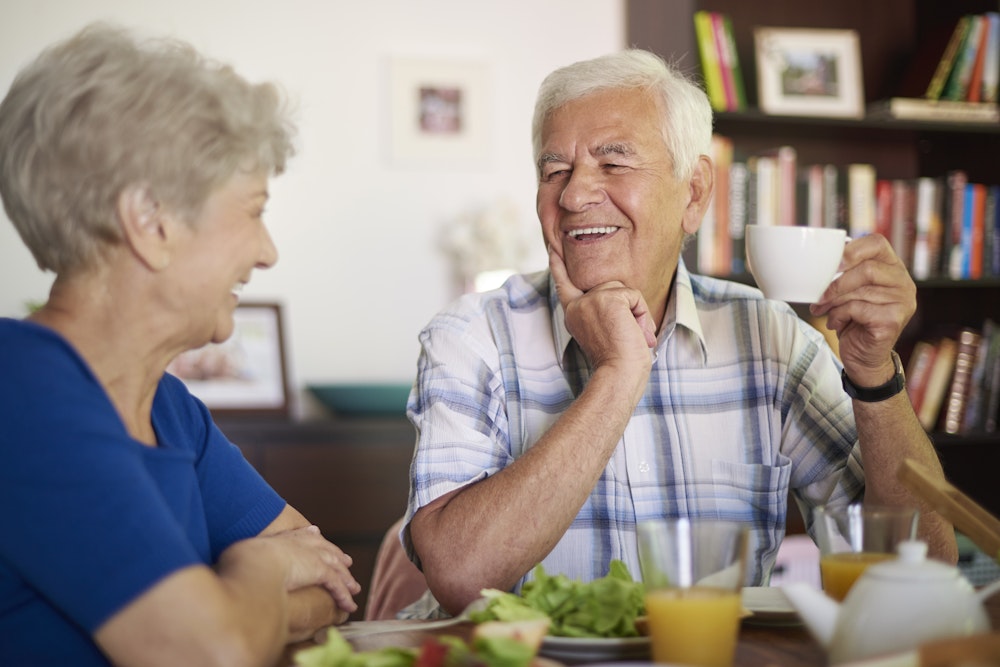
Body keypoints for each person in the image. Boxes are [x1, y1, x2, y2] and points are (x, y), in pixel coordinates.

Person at [402, 49, 958, 617]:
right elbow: (459, 575)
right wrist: (617, 376)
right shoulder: (472, 336)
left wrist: (873, 376)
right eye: (554, 171)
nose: (573, 196)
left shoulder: (771, 339)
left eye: (613, 163)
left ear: (693, 193)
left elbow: (921, 570)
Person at [0, 24, 359, 666]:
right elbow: (206, 655)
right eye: (253, 210)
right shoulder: (19, 387)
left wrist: (239, 597)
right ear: (151, 221)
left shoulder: (171, 410)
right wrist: (257, 562)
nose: (267, 251)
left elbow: (330, 589)